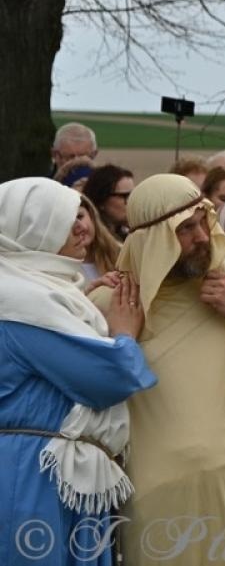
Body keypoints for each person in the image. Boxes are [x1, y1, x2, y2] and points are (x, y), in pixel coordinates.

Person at [104, 174, 225, 566]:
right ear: (153, 240)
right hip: (150, 502)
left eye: (203, 222)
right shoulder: (115, 303)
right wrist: (121, 340)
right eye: (186, 229)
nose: (201, 237)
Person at [0, 178, 153, 566]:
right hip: (30, 472)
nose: (83, 226)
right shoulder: (19, 300)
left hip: (46, 466)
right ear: (31, 226)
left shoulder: (37, 291)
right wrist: (123, 335)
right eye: (64, 219)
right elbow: (108, 379)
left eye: (80, 215)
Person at [81, 164, 135, 240]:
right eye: (125, 196)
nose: (131, 202)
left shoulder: (131, 234)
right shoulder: (86, 240)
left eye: (133, 195)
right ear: (101, 201)